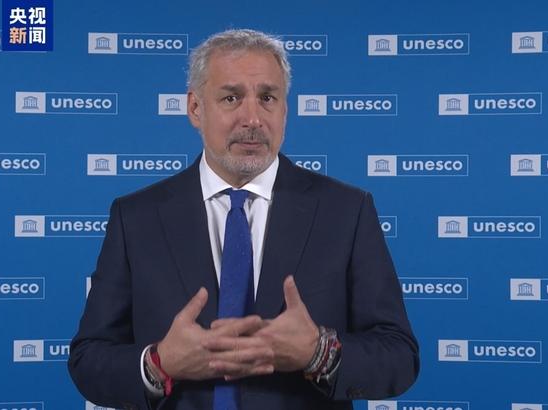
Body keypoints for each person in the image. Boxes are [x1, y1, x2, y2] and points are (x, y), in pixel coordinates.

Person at [68, 29, 419, 410]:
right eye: (231, 98)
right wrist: (159, 363)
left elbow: (399, 356)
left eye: (267, 98)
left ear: (285, 110)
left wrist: (319, 352)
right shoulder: (136, 217)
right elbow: (89, 359)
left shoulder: (346, 211)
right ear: (195, 108)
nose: (252, 118)